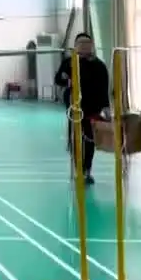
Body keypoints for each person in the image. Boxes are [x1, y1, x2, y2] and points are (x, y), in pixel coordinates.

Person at [54, 33, 110, 185]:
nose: (84, 45)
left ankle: (87, 170)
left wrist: (106, 107)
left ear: (91, 45)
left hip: (93, 107)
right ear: (75, 45)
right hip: (75, 107)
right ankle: (77, 168)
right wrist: (65, 79)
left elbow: (104, 88)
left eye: (87, 42)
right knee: (75, 138)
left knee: (89, 140)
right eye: (81, 42)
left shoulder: (99, 65)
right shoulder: (69, 62)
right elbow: (58, 79)